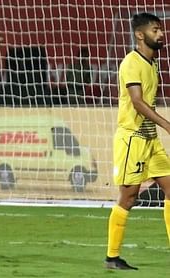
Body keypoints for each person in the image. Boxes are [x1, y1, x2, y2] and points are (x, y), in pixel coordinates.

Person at [106, 12, 170, 270]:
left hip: (150, 139)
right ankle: (112, 257)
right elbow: (137, 101)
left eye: (161, 30)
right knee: (128, 197)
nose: (162, 34)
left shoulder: (152, 63)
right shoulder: (131, 63)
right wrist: (166, 124)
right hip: (132, 139)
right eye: (156, 30)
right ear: (139, 34)